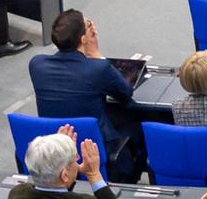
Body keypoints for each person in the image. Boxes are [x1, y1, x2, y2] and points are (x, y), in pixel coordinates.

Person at [31, 9, 142, 180]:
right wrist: (96, 54)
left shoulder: (37, 65)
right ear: (83, 39)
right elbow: (125, 93)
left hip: (56, 145)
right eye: (88, 25)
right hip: (95, 148)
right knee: (140, 126)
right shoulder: (97, 69)